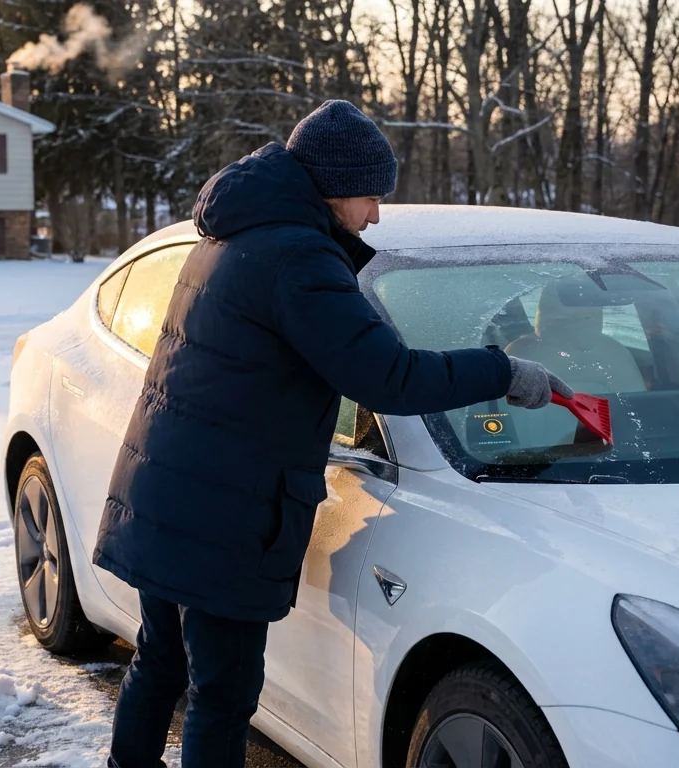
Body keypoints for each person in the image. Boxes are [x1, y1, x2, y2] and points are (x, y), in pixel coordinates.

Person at [93, 100, 571, 768]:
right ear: (333, 186)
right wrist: (501, 370)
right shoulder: (296, 256)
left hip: (168, 489)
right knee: (222, 694)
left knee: (162, 661)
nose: (374, 215)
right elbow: (388, 377)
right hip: (222, 513)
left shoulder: (234, 232)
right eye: (370, 196)